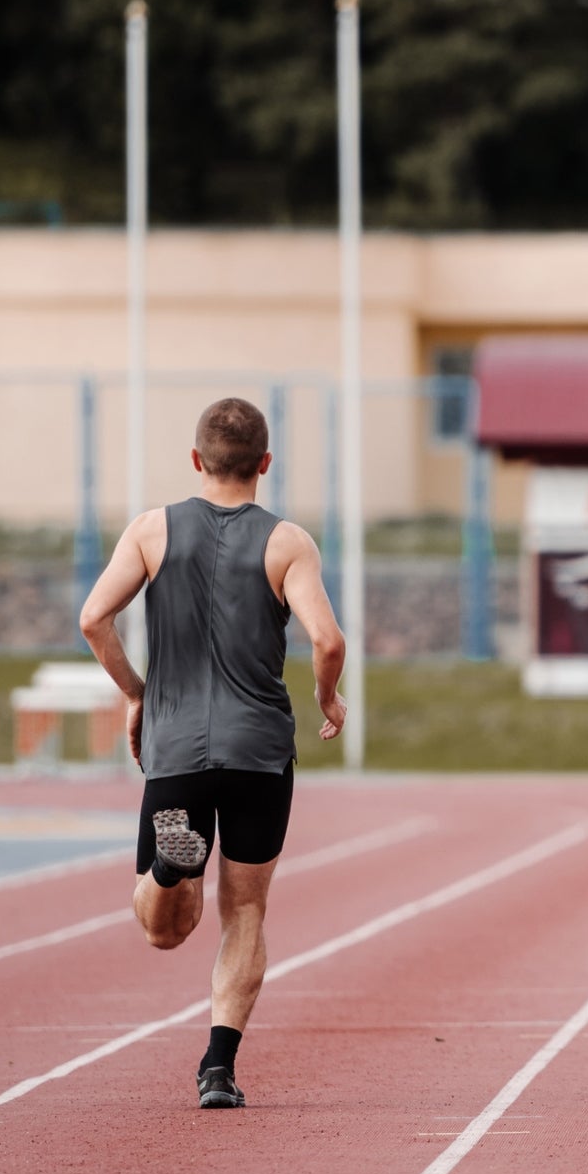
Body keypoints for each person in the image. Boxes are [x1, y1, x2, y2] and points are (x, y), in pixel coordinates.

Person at [78, 397, 349, 1109]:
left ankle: (172, 863)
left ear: (197, 461)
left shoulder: (150, 531)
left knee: (164, 930)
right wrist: (328, 698)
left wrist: (137, 694)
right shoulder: (288, 543)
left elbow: (93, 618)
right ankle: (218, 1070)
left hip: (175, 746)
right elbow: (328, 641)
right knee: (246, 911)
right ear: (265, 464)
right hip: (258, 749)